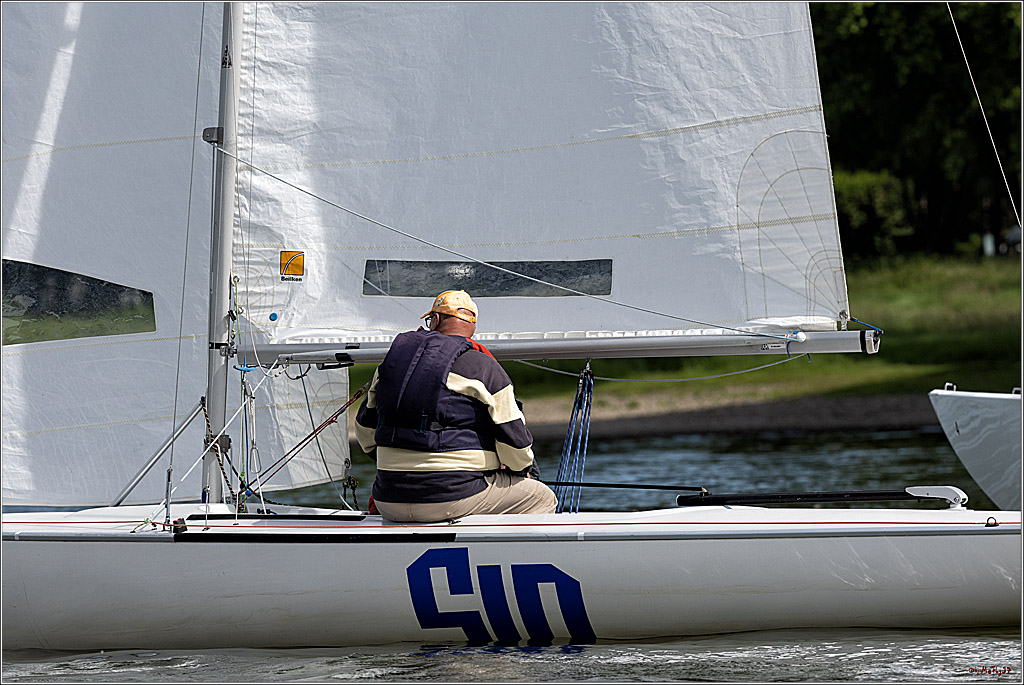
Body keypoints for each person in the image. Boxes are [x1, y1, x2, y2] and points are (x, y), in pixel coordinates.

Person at [354, 290, 557, 521]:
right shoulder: (483, 367)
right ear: (472, 327)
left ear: (435, 320)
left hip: (388, 500)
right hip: (451, 497)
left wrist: (400, 462)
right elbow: (517, 447)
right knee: (542, 497)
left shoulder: (391, 365)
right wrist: (518, 471)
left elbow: (365, 434)